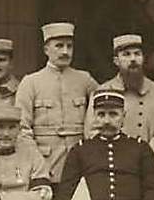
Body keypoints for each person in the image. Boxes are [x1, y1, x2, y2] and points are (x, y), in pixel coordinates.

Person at [16, 22, 99, 186]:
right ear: (46, 49)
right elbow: (22, 128)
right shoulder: (30, 82)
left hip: (80, 163)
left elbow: (102, 111)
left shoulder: (85, 80)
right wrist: (36, 164)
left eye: (69, 46)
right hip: (45, 163)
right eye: (59, 46)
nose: (65, 51)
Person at [85, 34, 154, 169]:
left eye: (137, 54)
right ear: (116, 61)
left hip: (149, 169)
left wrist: (145, 164)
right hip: (113, 168)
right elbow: (92, 132)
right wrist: (115, 162)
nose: (133, 59)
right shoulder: (102, 92)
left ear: (143, 59)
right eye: (126, 54)